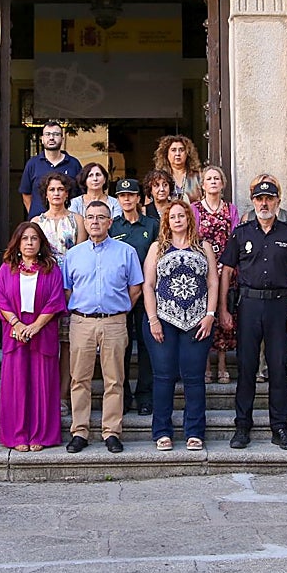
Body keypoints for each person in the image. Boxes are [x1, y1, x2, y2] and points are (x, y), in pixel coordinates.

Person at [220, 179, 287, 451]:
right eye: (259, 199)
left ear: (278, 202)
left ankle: (279, 427)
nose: (264, 204)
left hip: (280, 306)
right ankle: (242, 426)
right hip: (249, 306)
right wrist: (223, 308)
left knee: (278, 368)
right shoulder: (241, 233)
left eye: (269, 199)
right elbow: (227, 271)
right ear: (253, 202)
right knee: (246, 368)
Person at [61, 200, 144, 454]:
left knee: (114, 379)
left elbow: (136, 288)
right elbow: (67, 290)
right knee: (79, 379)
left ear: (110, 222)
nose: (95, 222)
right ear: (84, 222)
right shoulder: (73, 255)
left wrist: (118, 310)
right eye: (91, 218)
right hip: (82, 322)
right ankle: (80, 431)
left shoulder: (126, 251)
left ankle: (111, 432)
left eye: (101, 217)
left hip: (115, 322)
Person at [143, 200, 218, 451]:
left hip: (197, 322)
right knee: (163, 376)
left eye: (181, 215)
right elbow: (148, 285)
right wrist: (153, 319)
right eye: (172, 216)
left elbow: (213, 283)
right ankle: (162, 431)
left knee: (194, 378)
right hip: (163, 320)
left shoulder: (203, 246)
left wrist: (210, 314)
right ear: (166, 221)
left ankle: (194, 432)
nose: (177, 219)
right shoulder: (157, 248)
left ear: (189, 218)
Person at [0, 222, 67, 451]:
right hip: (15, 333)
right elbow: (1, 300)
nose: (29, 243)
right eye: (25, 238)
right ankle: (17, 436)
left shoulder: (51, 268)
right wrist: (16, 323)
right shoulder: (7, 268)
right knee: (16, 386)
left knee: (42, 384)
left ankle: (40, 435)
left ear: (41, 243)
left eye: (34, 239)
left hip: (42, 332)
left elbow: (56, 301)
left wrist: (35, 326)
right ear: (18, 242)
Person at [33, 170, 85, 414]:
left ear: (67, 193)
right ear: (46, 194)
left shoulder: (77, 220)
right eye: (52, 189)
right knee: (45, 344)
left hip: (72, 287)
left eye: (60, 189)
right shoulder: (36, 222)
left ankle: (64, 396)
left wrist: (71, 289)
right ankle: (44, 394)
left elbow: (83, 255)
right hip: (43, 287)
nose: (56, 193)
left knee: (66, 346)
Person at [240, 173, 287, 381]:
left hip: (281, 292)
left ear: (277, 197)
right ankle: (258, 371)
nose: (264, 202)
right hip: (253, 296)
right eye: (259, 195)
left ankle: (284, 369)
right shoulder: (246, 220)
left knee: (281, 343)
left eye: (270, 194)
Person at [109, 177, 157, 416]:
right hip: (120, 295)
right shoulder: (113, 227)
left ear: (139, 198)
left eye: (131, 195)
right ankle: (124, 395)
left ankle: (145, 395)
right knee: (122, 347)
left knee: (147, 346)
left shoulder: (152, 225)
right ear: (118, 199)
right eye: (122, 195)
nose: (127, 199)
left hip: (147, 295)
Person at [192, 165, 239, 384]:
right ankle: (205, 365)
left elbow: (236, 237)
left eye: (216, 178)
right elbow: (190, 238)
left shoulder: (230, 209)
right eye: (209, 178)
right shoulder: (194, 209)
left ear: (222, 184)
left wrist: (226, 266)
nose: (213, 182)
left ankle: (222, 363)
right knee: (204, 315)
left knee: (223, 315)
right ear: (202, 184)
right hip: (201, 269)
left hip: (226, 269)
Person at [19, 121, 83, 218]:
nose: (51, 138)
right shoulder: (32, 164)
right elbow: (26, 194)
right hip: (39, 224)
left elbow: (81, 194)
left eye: (56, 134)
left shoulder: (74, 164)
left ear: (62, 138)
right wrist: (36, 215)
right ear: (42, 139)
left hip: (68, 223)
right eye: (47, 134)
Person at [154, 135, 203, 203]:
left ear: (187, 153)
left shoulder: (198, 176)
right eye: (173, 150)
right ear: (166, 153)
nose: (177, 154)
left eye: (181, 150)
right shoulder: (158, 178)